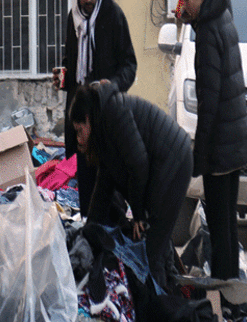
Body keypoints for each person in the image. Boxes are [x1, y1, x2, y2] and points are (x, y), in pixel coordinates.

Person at [68, 81, 192, 292]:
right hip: (163, 168)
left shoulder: (113, 112)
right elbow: (104, 185)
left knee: (152, 253)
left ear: (88, 119)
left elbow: (138, 164)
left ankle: (160, 313)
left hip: (174, 164)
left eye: (80, 131)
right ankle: (169, 297)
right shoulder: (103, 128)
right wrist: (89, 230)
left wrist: (138, 216)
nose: (79, 140)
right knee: (155, 248)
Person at [178, 0, 247, 281]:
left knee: (220, 230)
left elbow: (209, 102)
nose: (185, 5)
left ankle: (224, 293)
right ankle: (233, 293)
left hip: (220, 144)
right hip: (234, 139)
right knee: (228, 225)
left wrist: (199, 155)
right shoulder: (222, 13)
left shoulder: (207, 33)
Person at [52, 0, 137, 217]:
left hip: (106, 115)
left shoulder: (113, 16)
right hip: (81, 120)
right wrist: (61, 77)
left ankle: (110, 246)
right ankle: (90, 244)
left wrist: (112, 85)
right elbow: (72, 66)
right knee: (87, 190)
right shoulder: (73, 19)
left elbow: (129, 65)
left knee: (110, 192)